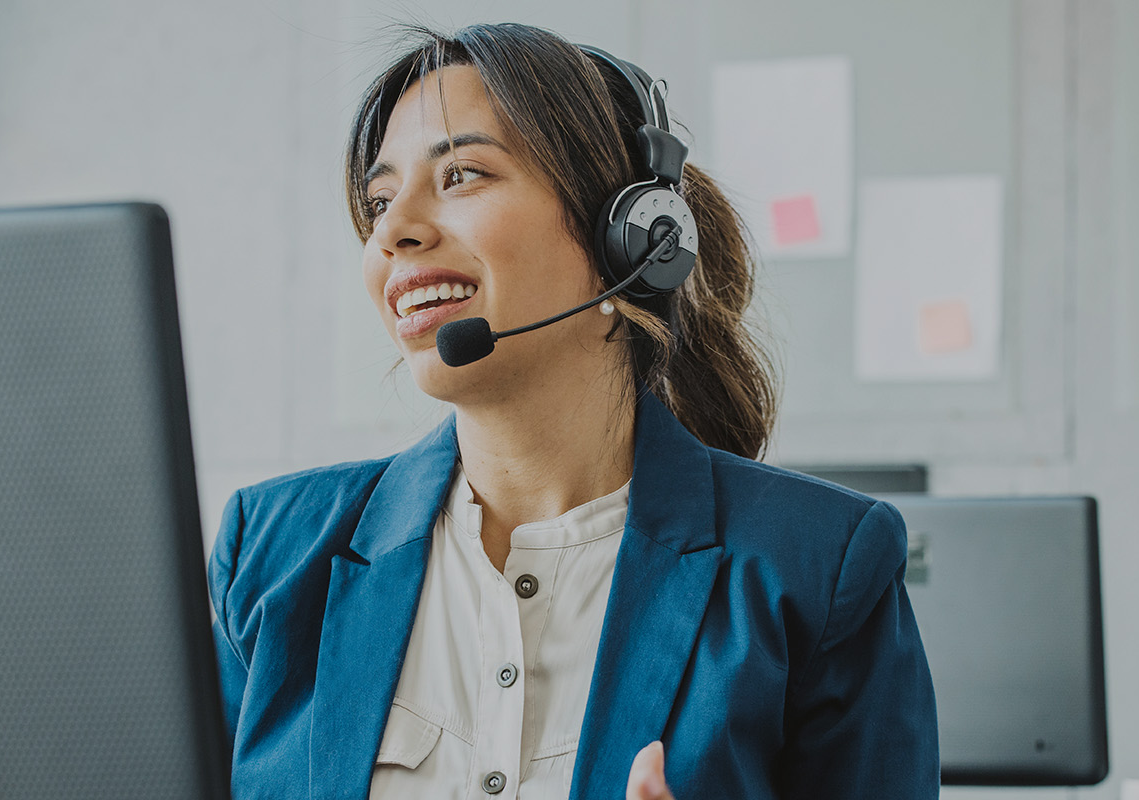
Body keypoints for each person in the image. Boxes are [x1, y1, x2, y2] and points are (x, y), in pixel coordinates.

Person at [205, 22, 938, 800]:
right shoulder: (272, 558)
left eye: (461, 175)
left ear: (629, 249)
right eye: (379, 198)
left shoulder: (817, 571)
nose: (393, 231)